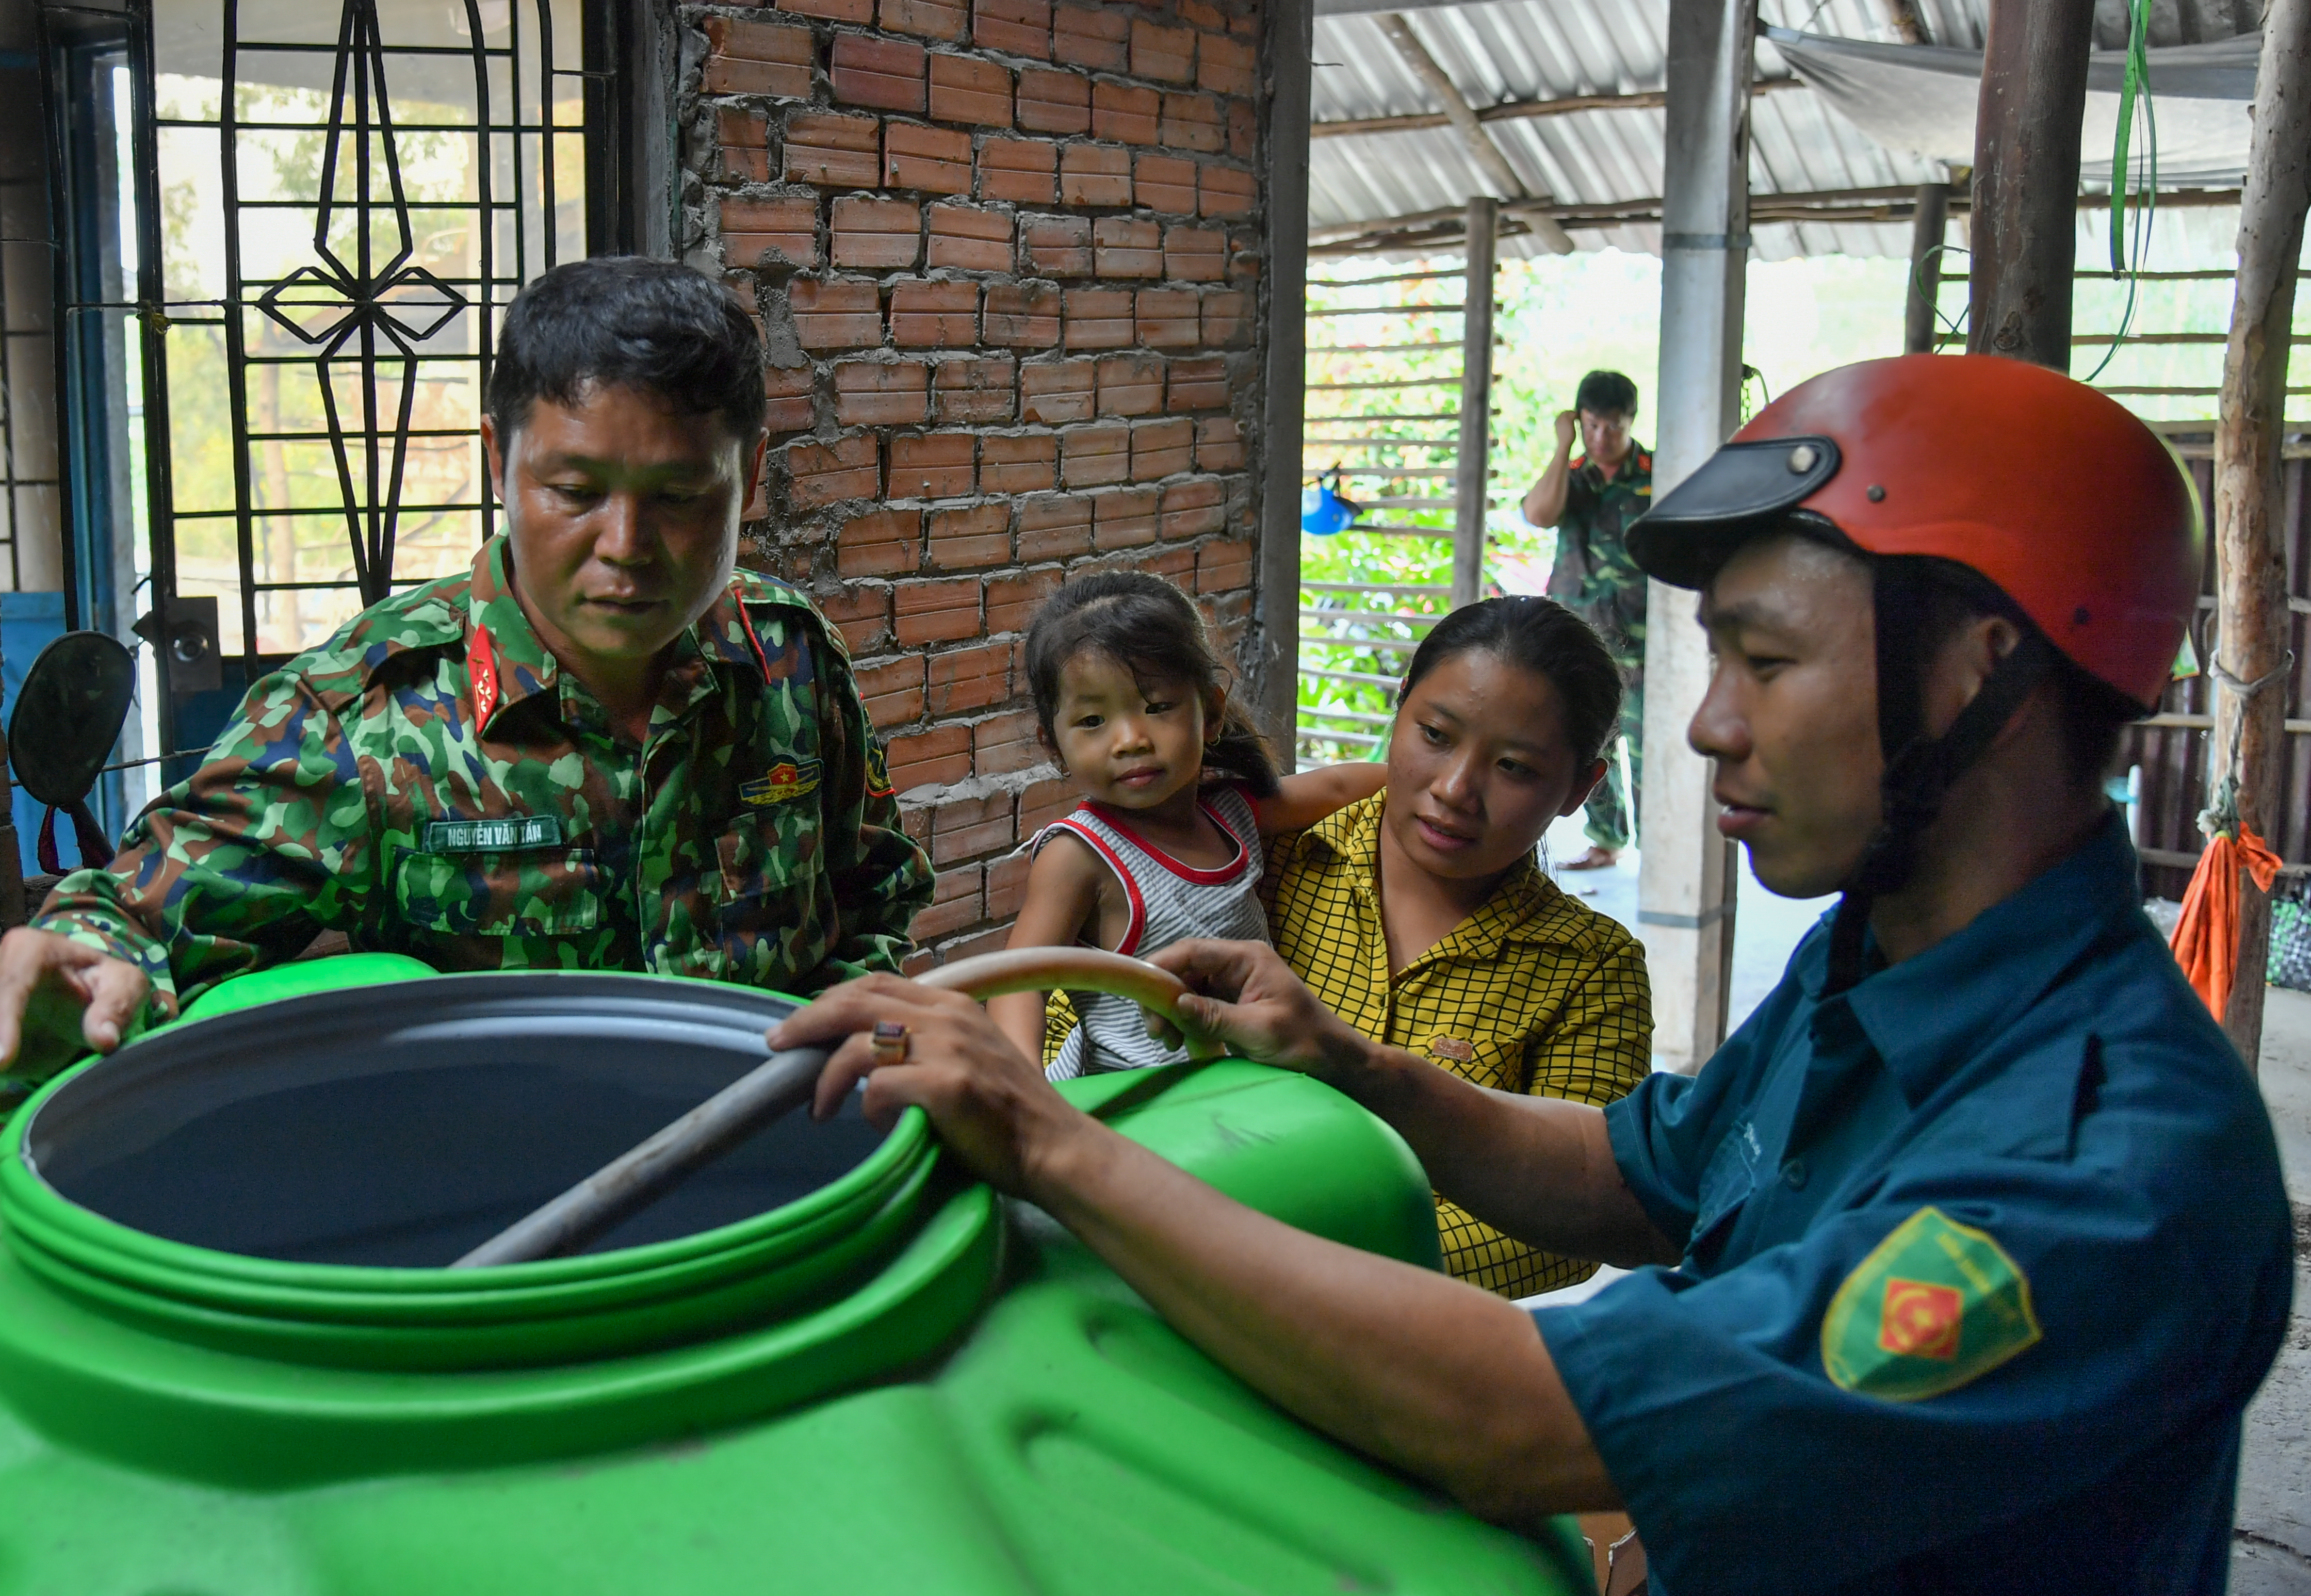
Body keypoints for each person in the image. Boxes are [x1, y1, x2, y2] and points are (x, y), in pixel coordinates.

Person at [773, 354, 2293, 1594]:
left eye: (1759, 663)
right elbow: (1647, 1169)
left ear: (1973, 667)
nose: (1704, 729)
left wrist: (1049, 1140)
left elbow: (1514, 1418)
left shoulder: (2103, 1174)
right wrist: (1354, 1066)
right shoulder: (1876, 960)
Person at [0, 257, 932, 1148]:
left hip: (781, 1183)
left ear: (750, 474)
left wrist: (864, 1028)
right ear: (501, 461)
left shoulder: (793, 663)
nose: (626, 543)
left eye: (678, 496)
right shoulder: (368, 716)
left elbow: (872, 893)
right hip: (496, 1227)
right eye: (576, 490)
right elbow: (134, 915)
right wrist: (71, 966)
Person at [1264, 595, 1654, 1297]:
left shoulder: (1592, 968)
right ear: (1401, 706)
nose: (1455, 791)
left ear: (1578, 790)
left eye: (1514, 768)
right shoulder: (1268, 858)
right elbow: (1085, 1020)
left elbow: (1571, 1220)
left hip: (1400, 1356)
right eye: (1437, 735)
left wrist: (1299, 1264)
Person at [995, 572, 1377, 1076]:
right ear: (1054, 746)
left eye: (1157, 707)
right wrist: (1030, 1100)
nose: (1130, 739)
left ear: (1212, 713)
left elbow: (1335, 789)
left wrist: (1427, 780)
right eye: (1092, 722)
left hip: (1240, 1085)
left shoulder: (1232, 813)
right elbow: (1019, 982)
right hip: (1127, 1103)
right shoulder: (1080, 855)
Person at [1521, 369, 1651, 870]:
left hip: (1648, 638)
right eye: (1592, 425)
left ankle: (1662, 850)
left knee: (1649, 745)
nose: (1601, 438)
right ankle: (1606, 839)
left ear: (1631, 422)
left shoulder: (1658, 473)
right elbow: (1538, 513)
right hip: (1586, 637)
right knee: (1593, 741)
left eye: (1612, 427)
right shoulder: (1574, 475)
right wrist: (1562, 445)